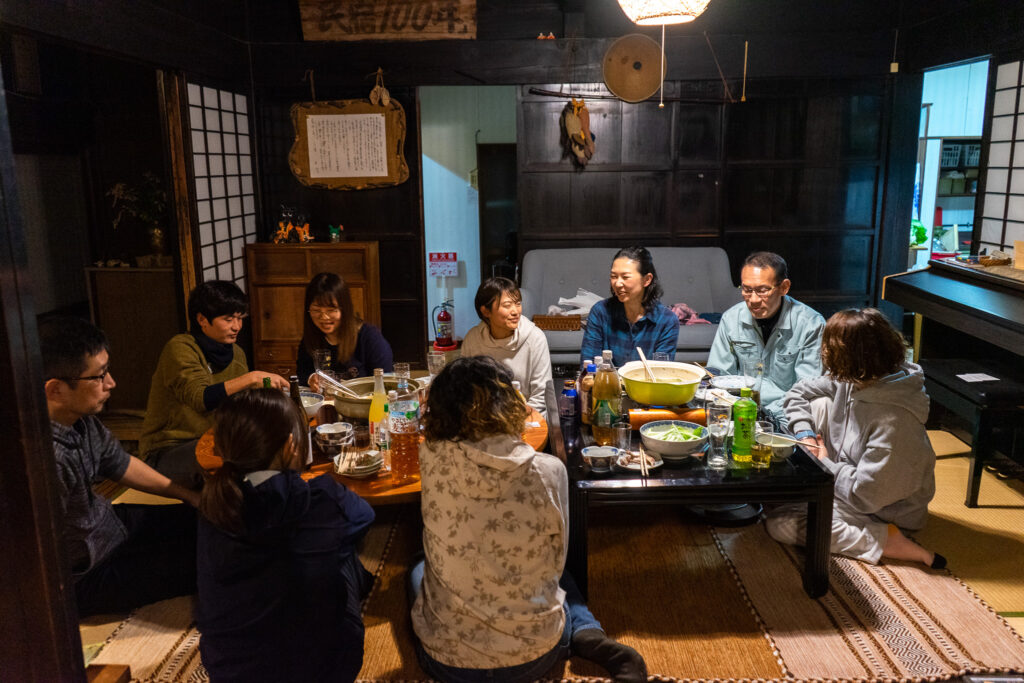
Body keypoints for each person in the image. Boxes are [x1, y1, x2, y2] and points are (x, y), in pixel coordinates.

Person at [410, 356, 647, 683]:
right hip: (536, 654)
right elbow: (557, 560)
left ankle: (581, 630)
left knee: (418, 567)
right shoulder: (550, 471)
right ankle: (585, 630)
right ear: (510, 404)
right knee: (560, 573)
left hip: (449, 663)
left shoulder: (430, 457)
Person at [196, 387, 375, 682]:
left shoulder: (213, 507)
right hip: (322, 671)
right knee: (343, 549)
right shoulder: (320, 497)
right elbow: (364, 517)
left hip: (230, 671)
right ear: (291, 445)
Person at [40, 316, 199, 617]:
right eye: (99, 376)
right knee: (205, 560)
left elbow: (120, 462)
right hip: (87, 573)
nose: (111, 383)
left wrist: (189, 496)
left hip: (109, 524)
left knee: (205, 519)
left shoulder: (81, 419)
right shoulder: (47, 459)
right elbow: (40, 553)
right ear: (56, 389)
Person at [765, 308, 945, 569]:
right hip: (847, 479)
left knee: (779, 523)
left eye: (829, 349)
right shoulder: (859, 377)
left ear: (850, 356)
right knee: (819, 403)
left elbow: (866, 495)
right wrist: (805, 433)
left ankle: (883, 541)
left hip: (883, 510)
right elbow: (798, 393)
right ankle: (824, 490)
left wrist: (824, 463)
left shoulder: (894, 420)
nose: (824, 355)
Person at [140, 280, 287, 488]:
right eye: (228, 319)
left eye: (239, 318)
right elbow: (200, 398)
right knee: (238, 467)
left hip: (215, 441)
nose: (237, 326)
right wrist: (250, 378)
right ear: (202, 319)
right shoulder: (181, 348)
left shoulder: (236, 353)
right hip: (168, 449)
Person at [707, 251, 825, 426]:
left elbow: (808, 388)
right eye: (747, 290)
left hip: (790, 413)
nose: (753, 300)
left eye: (762, 291)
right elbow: (719, 376)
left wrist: (772, 415)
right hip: (741, 410)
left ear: (784, 287)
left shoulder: (811, 324)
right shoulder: (731, 319)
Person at [461, 276, 556, 419]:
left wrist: (512, 421)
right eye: (507, 305)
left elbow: (541, 395)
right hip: (485, 419)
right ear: (486, 311)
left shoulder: (535, 338)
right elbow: (466, 388)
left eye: (518, 304)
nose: (515, 311)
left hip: (527, 417)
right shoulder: (473, 339)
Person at [581, 246, 679, 369]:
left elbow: (662, 372)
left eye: (625, 277)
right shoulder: (600, 312)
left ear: (647, 280)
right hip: (606, 381)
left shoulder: (667, 320)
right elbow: (588, 366)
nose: (617, 283)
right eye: (614, 276)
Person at [298, 272, 393, 390]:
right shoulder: (310, 338)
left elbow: (386, 380)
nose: (324, 317)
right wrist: (311, 378)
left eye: (331, 310)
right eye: (316, 310)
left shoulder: (369, 337)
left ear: (345, 309)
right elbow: (302, 373)